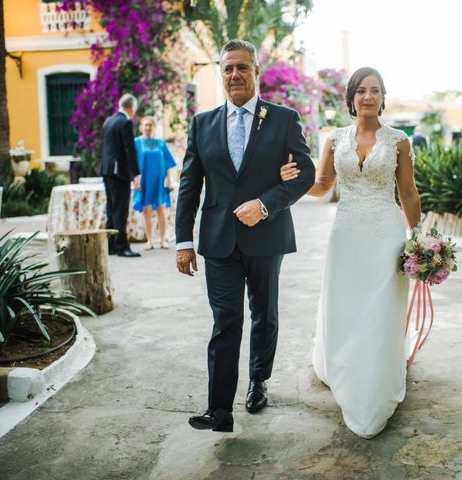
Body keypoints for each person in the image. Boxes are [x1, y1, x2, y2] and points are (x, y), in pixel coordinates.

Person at [175, 39, 315, 432]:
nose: (234, 74)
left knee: (264, 315)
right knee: (225, 321)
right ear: (220, 74)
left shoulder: (283, 119)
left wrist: (266, 204)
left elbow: (305, 174)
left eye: (242, 67)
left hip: (267, 237)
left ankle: (259, 380)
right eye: (227, 68)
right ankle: (219, 409)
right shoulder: (202, 124)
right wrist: (183, 240)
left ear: (256, 71)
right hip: (218, 239)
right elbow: (190, 186)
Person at [280, 67, 422, 438]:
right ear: (351, 98)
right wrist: (290, 182)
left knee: (379, 309)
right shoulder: (334, 139)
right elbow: (323, 184)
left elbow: (407, 193)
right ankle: (344, 366)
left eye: (375, 90)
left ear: (383, 97)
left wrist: (418, 237)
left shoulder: (398, 141)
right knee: (346, 305)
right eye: (361, 90)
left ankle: (374, 382)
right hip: (345, 236)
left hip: (385, 236)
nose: (368, 97)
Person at [100, 94, 141, 257]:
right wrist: (136, 174)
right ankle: (122, 246)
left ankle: (110, 245)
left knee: (111, 207)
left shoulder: (108, 121)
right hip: (119, 172)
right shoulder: (125, 122)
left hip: (106, 170)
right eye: (134, 109)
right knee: (120, 209)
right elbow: (129, 151)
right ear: (130, 107)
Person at [132, 116, 176, 250]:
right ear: (141, 126)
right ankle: (150, 240)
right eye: (145, 125)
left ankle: (163, 240)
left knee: (161, 209)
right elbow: (132, 163)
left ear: (154, 127)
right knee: (146, 210)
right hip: (144, 180)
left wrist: (168, 179)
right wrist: (135, 179)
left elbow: (168, 163)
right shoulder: (137, 142)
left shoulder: (161, 143)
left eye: (150, 125)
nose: (147, 127)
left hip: (159, 181)